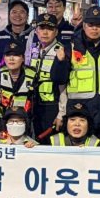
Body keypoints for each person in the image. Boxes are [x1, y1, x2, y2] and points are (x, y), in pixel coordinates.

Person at [51, 5, 100, 137]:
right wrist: (60, 62)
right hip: (78, 114)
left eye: (99, 25)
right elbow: (58, 80)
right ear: (84, 25)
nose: (94, 28)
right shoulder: (71, 47)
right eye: (90, 25)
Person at [27, 13, 68, 143]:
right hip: (34, 106)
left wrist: (61, 113)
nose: (45, 32)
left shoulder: (61, 51)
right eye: (42, 28)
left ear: (56, 32)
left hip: (52, 107)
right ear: (36, 31)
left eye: (50, 29)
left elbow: (64, 87)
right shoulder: (33, 50)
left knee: (52, 143)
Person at [0, 41, 36, 122]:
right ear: (4, 58)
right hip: (3, 120)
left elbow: (37, 105)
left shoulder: (32, 74)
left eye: (16, 55)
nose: (11, 58)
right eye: (8, 55)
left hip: (24, 120)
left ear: (23, 58)